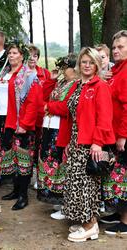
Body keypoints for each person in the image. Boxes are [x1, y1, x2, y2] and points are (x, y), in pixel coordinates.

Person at [62, 47, 115, 242]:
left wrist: (97, 143)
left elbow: (105, 117)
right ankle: (85, 220)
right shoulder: (77, 85)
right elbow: (72, 116)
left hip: (91, 143)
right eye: (84, 61)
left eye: (91, 62)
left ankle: (90, 225)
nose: (87, 65)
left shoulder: (100, 86)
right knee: (76, 182)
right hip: (76, 141)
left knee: (87, 185)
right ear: (79, 64)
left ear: (97, 65)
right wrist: (69, 141)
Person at [0, 42, 43, 210]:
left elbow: (33, 102)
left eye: (14, 52)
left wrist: (25, 124)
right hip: (3, 120)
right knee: (10, 156)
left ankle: (23, 195)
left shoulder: (28, 75)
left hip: (20, 122)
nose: (11, 55)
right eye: (9, 52)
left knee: (23, 160)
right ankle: (14, 190)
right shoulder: (4, 73)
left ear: (22, 55)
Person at [37, 54, 78, 218]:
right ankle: (58, 198)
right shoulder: (61, 82)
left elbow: (67, 107)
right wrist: (51, 80)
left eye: (64, 67)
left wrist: (49, 107)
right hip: (49, 127)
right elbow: (43, 96)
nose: (62, 70)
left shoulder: (76, 85)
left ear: (73, 68)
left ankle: (66, 205)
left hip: (61, 130)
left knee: (61, 164)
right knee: (50, 163)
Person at [101, 30, 127, 235]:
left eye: (121, 47)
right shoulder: (116, 70)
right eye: (115, 47)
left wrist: (123, 135)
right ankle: (119, 213)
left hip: (123, 133)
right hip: (113, 132)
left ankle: (126, 221)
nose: (116, 50)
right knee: (117, 176)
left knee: (125, 176)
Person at [27, 44, 51, 190]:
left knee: (40, 149)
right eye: (29, 56)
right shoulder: (21, 74)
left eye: (35, 56)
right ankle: (25, 176)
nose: (32, 59)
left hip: (42, 118)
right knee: (27, 149)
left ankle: (38, 177)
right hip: (26, 119)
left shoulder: (45, 73)